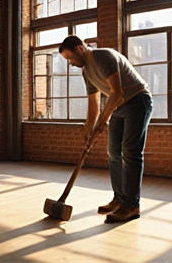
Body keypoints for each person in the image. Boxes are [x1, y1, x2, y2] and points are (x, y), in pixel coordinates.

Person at [59, 35, 153, 222]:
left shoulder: (104, 57)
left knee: (131, 152)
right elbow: (94, 104)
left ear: (79, 49)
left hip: (137, 100)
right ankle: (119, 198)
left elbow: (117, 93)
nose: (69, 63)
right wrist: (89, 130)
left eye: (69, 58)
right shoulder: (86, 72)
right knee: (113, 152)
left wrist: (101, 124)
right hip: (119, 106)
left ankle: (131, 205)